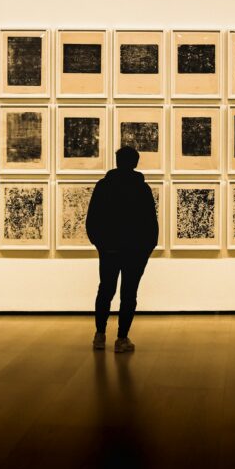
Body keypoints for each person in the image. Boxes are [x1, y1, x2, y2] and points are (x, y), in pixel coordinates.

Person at [85, 146, 159, 353]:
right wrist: (147, 247)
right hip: (135, 250)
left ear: (117, 162)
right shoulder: (141, 189)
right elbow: (150, 223)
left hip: (109, 249)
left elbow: (92, 219)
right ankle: (122, 338)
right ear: (135, 163)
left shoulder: (103, 186)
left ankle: (100, 335)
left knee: (105, 290)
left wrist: (100, 244)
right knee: (129, 293)